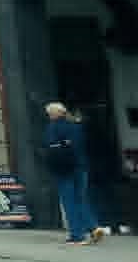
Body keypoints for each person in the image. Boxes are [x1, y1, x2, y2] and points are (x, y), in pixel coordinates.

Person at [43, 101, 107, 245]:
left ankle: (77, 235)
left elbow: (49, 146)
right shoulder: (76, 126)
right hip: (81, 167)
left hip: (63, 169)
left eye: (49, 113)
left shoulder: (53, 127)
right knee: (81, 199)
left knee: (69, 202)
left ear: (54, 114)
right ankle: (94, 227)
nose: (49, 116)